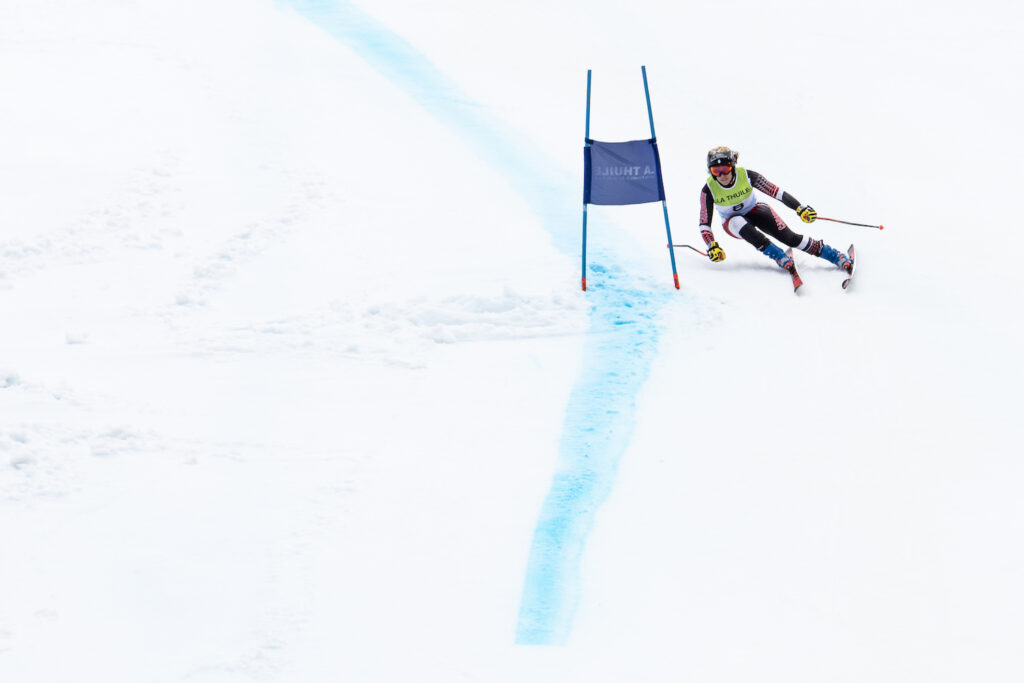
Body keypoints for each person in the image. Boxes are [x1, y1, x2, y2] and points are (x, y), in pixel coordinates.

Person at [698, 146, 852, 275]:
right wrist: (712, 246)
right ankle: (779, 256)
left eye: (725, 169)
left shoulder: (747, 176)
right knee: (738, 222)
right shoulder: (708, 189)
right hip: (732, 224)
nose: (722, 175)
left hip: (755, 211)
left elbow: (776, 192)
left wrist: (799, 208)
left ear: (733, 165)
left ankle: (834, 256)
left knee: (790, 238)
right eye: (716, 171)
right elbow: (704, 223)